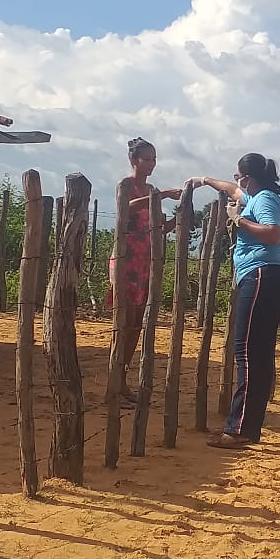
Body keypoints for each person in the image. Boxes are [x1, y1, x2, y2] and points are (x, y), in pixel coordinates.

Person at [188, 152, 280, 449]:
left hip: (262, 277)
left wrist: (239, 220)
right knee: (258, 357)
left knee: (247, 355)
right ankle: (247, 428)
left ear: (248, 178)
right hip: (272, 279)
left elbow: (273, 234)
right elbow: (232, 190)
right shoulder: (258, 195)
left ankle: (239, 430)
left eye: (238, 177)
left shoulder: (263, 200)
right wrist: (204, 181)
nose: (236, 183)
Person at [110, 138, 181, 408]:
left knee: (136, 326)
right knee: (123, 322)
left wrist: (176, 219)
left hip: (144, 263)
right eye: (146, 158)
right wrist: (159, 197)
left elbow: (157, 228)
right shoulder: (126, 186)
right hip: (125, 260)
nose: (151, 163)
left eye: (153, 159)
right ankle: (112, 387)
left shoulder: (151, 189)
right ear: (134, 160)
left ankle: (122, 383)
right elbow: (124, 209)